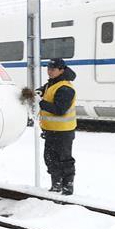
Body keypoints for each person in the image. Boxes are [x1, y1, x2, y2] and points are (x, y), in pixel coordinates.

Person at [36, 57, 77, 195]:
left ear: (61, 70)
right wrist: (37, 93)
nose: (49, 72)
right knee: (50, 158)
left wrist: (40, 103)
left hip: (63, 132)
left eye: (52, 69)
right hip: (51, 130)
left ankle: (67, 187)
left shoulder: (65, 88)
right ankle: (56, 184)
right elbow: (44, 91)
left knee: (64, 159)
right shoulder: (52, 83)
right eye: (48, 69)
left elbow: (60, 110)